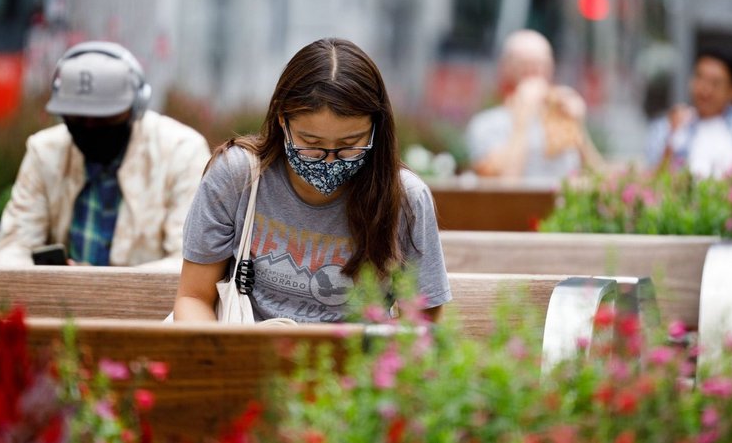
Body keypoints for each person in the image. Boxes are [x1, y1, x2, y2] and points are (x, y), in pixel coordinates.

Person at [172, 38, 452, 323]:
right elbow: (193, 297)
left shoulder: (405, 198)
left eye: (349, 144)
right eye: (311, 143)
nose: (329, 161)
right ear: (282, 119)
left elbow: (421, 326)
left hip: (354, 363)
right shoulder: (237, 176)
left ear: (376, 128)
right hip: (247, 356)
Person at [0, 41, 211, 266]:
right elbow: (12, 247)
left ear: (136, 107)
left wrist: (97, 286)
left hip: (149, 302)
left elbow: (187, 264)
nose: (90, 126)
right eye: (77, 118)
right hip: (59, 299)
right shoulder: (44, 153)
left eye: (105, 118)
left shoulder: (182, 153)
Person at [465, 29, 604, 179]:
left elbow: (599, 180)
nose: (536, 72)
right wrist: (522, 122)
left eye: (542, 64)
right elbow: (503, 188)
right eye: (525, 65)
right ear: (506, 68)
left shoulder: (562, 119)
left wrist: (578, 127)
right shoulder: (486, 124)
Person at [646, 46, 732, 176]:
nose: (705, 90)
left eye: (715, 83)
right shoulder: (666, 128)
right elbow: (653, 181)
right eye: (699, 78)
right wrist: (673, 138)